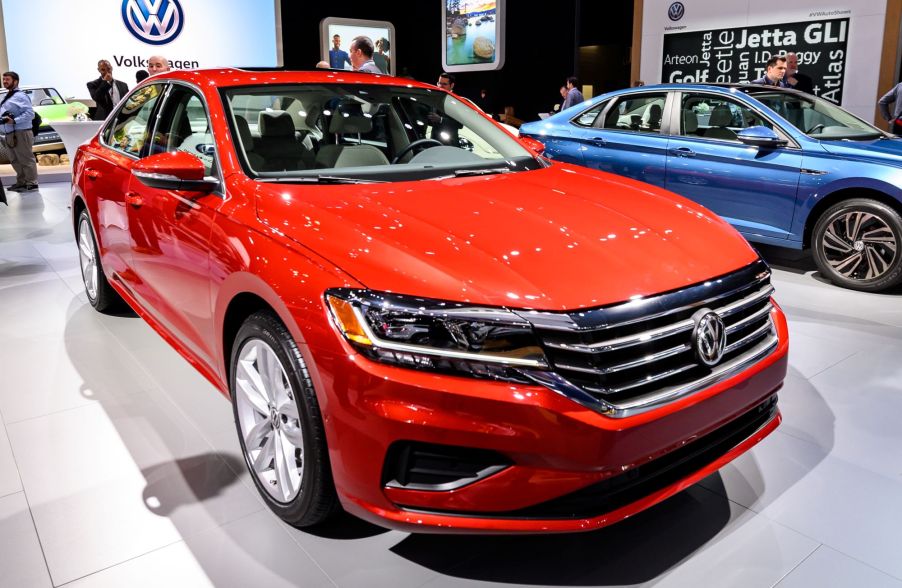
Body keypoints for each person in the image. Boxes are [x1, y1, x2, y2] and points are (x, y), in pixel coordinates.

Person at [0, 71, 38, 192]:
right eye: (4, 79)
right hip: (10, 133)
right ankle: (21, 182)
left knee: (26, 159)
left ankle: (31, 183)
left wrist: (15, 121)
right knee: (14, 160)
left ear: (15, 81)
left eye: (7, 79)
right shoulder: (8, 95)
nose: (4, 81)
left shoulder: (20, 96)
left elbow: (30, 114)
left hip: (21, 132)